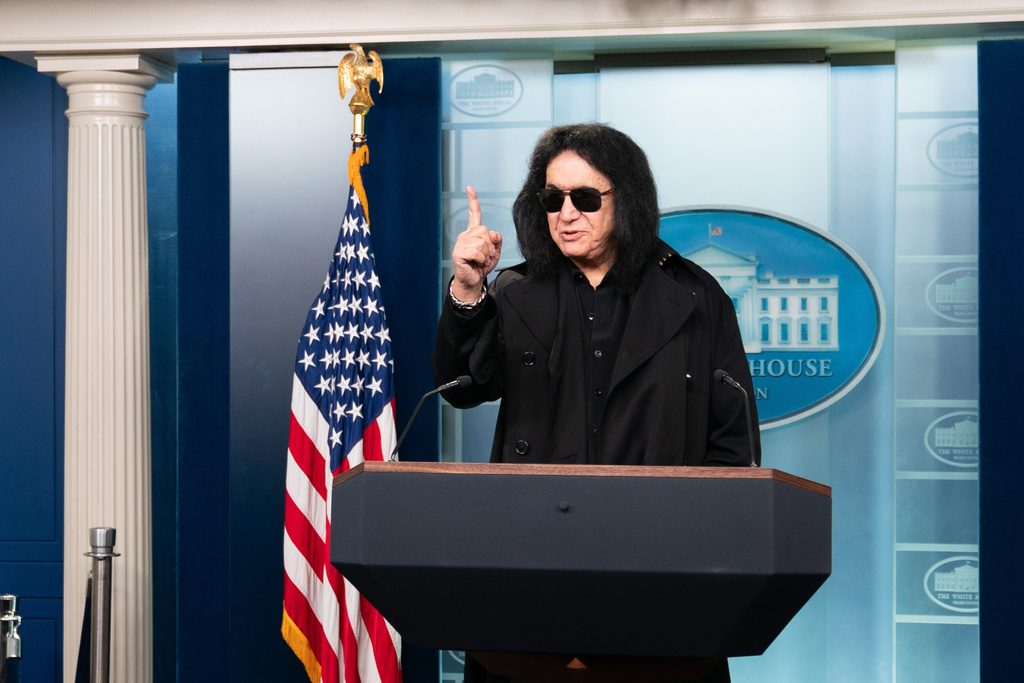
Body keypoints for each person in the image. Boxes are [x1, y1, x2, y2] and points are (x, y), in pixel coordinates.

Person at [432, 123, 760, 682]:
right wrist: (467, 291)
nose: (566, 213)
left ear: (625, 199)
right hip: (534, 563)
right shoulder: (512, 289)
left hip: (659, 572)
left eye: (584, 198)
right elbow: (463, 386)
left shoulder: (697, 297)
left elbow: (732, 446)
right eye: (552, 198)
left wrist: (707, 567)